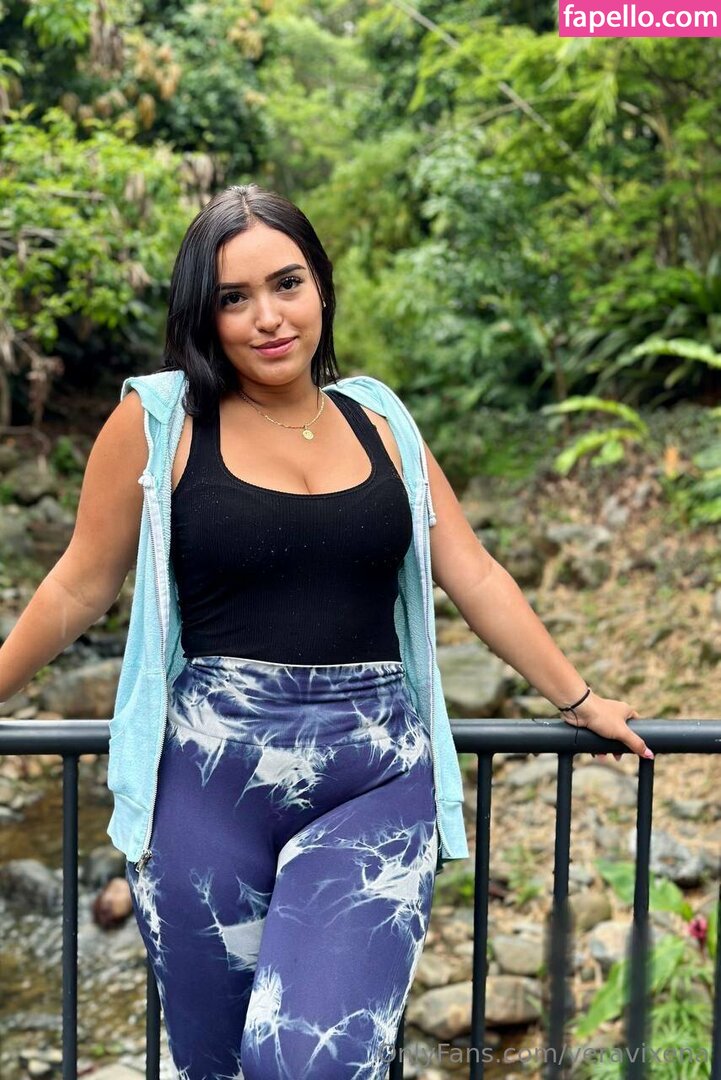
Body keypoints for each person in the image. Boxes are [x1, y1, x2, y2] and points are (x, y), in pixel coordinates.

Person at [0, 183, 653, 1079]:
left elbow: (473, 574)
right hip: (207, 784)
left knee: (307, 1060)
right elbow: (80, 583)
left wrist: (579, 700)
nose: (268, 317)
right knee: (216, 1066)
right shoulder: (158, 422)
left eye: (287, 283)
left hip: (374, 775)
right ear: (202, 315)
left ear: (320, 287)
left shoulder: (379, 420)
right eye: (234, 298)